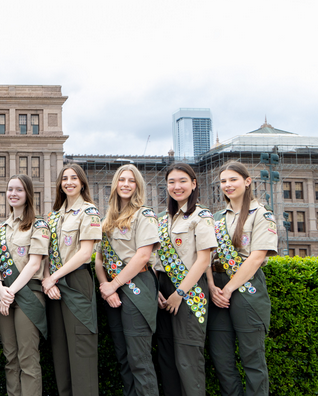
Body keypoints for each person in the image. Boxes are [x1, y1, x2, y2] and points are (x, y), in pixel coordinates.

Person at [206, 161, 276, 396]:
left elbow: (256, 259)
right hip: (218, 289)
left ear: (247, 182)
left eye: (233, 179)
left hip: (246, 288)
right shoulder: (216, 217)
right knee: (221, 358)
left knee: (252, 359)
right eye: (223, 181)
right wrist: (213, 287)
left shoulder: (261, 215)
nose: (227, 185)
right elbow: (205, 255)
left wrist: (229, 289)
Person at [95, 164, 160, 396]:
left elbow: (143, 255)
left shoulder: (145, 215)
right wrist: (107, 288)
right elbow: (99, 261)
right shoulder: (106, 221)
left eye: (131, 181)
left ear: (137, 186)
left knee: (139, 359)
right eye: (121, 180)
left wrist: (114, 284)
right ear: (115, 185)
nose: (125, 184)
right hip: (114, 293)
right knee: (123, 358)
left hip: (137, 287)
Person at [154, 163, 216, 396]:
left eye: (182, 181)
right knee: (167, 358)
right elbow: (154, 259)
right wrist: (156, 289)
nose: (176, 186)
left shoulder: (201, 217)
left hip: (189, 290)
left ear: (193, 184)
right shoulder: (162, 219)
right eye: (171, 182)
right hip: (163, 291)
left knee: (188, 359)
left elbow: (203, 260)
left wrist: (179, 293)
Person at [42, 165, 101, 396]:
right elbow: (44, 253)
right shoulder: (54, 215)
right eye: (64, 178)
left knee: (81, 349)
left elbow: (85, 253)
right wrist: (48, 279)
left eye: (74, 178)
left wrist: (53, 278)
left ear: (82, 182)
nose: (69, 182)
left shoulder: (89, 212)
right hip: (53, 285)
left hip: (75, 281)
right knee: (60, 350)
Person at [0, 174, 50, 396]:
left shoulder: (39, 225)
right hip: (4, 296)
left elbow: (35, 263)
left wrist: (10, 292)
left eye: (19, 190)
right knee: (10, 358)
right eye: (10, 189)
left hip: (28, 296)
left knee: (28, 358)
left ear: (28, 194)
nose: (13, 194)